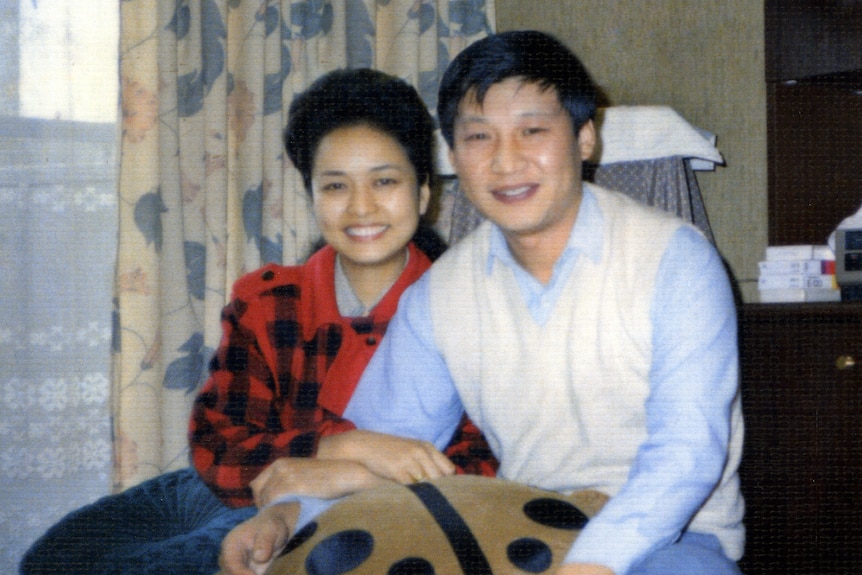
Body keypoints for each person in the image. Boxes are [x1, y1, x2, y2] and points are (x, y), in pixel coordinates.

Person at [227, 30, 745, 575]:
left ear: (585, 138)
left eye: (533, 131)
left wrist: (591, 565)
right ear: (453, 154)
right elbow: (383, 437)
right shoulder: (442, 293)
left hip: (673, 539)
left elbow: (686, 455)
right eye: (479, 138)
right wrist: (286, 519)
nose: (506, 161)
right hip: (522, 528)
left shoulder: (675, 259)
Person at [20, 68, 496, 575]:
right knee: (53, 559)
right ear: (311, 197)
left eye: (384, 181)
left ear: (423, 193)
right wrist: (345, 447)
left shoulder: (459, 305)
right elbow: (217, 445)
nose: (361, 206)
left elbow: (480, 467)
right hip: (234, 493)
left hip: (343, 513)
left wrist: (333, 478)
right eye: (335, 185)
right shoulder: (269, 300)